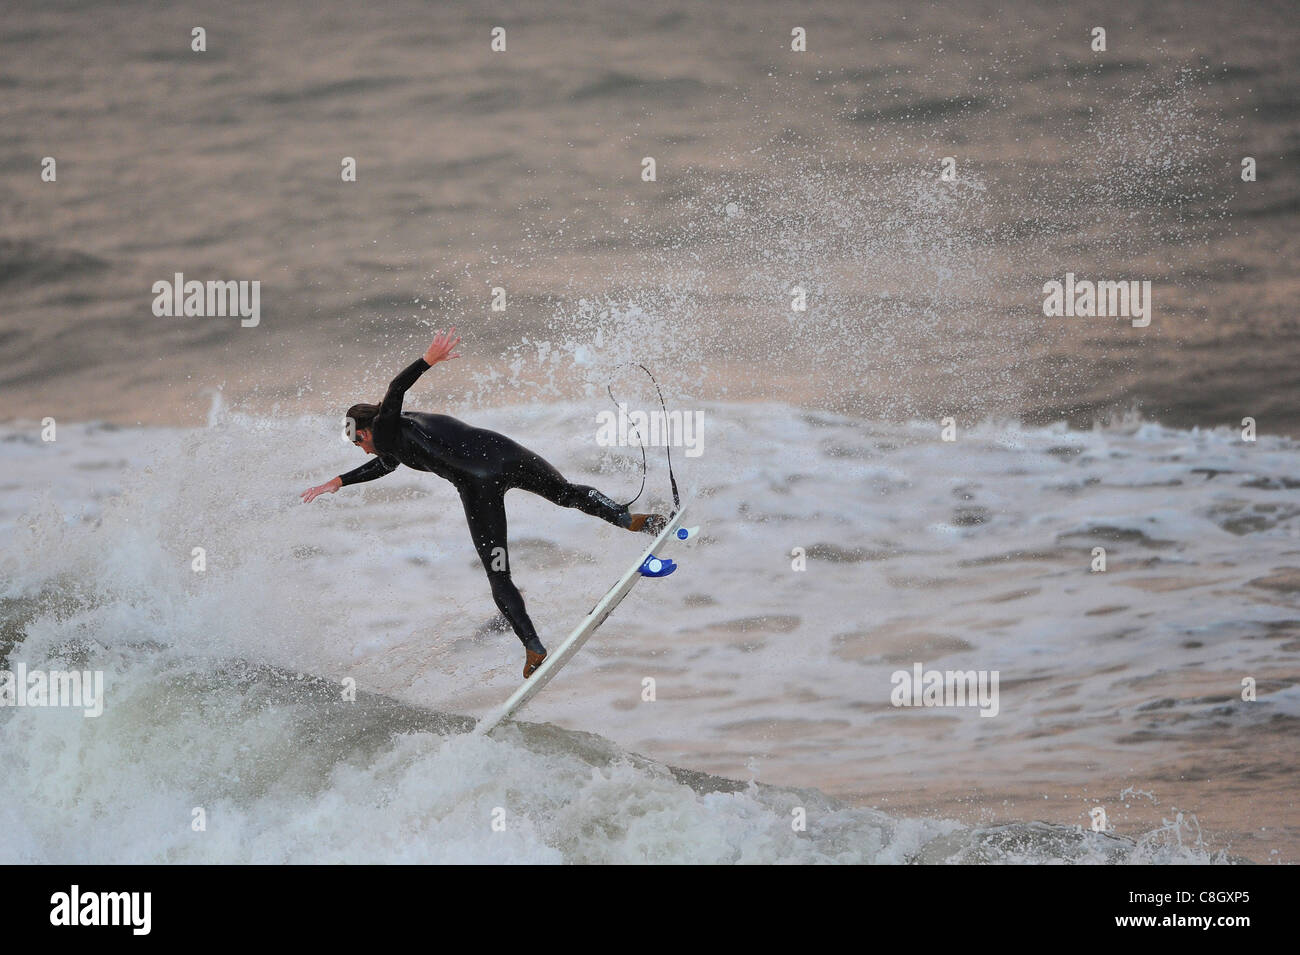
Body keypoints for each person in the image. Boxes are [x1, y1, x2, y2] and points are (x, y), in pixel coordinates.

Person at [301, 329, 667, 678]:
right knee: (567, 493)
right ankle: (627, 519)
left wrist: (427, 361)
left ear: (365, 430)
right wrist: (340, 481)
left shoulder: (384, 428)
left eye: (359, 442)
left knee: (499, 574)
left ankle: (533, 646)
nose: (363, 447)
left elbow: (396, 389)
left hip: (478, 486)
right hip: (505, 454)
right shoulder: (398, 435)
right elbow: (386, 463)